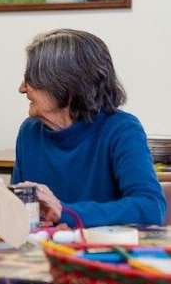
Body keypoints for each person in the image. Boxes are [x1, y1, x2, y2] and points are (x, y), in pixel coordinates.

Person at [11, 29, 165, 228]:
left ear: (68, 89)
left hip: (102, 254)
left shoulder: (121, 130)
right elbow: (16, 211)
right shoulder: (29, 132)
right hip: (42, 253)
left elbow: (151, 208)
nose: (22, 88)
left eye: (31, 79)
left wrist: (64, 212)